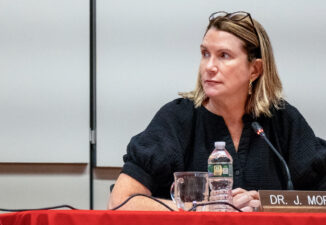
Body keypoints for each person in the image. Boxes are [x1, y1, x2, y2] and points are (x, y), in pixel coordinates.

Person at [108, 11, 326, 211]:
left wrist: (270, 205)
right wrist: (204, 209)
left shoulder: (282, 121)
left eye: (224, 55)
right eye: (205, 54)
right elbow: (121, 201)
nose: (209, 66)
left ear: (255, 69)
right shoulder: (176, 120)